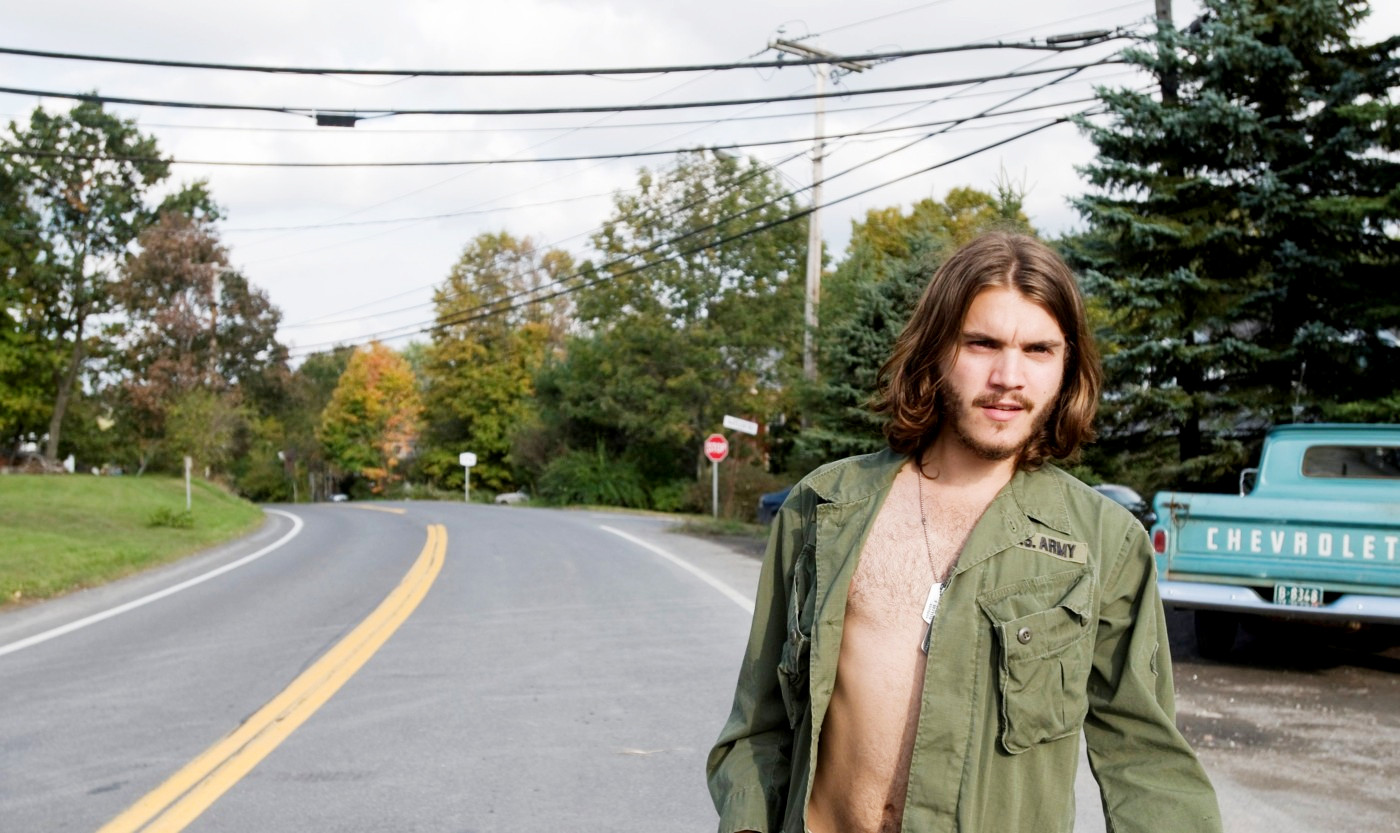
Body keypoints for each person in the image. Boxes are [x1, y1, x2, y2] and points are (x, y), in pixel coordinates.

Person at [706, 232, 1221, 833]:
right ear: (936, 350)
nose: (1009, 376)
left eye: (1038, 350)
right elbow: (759, 728)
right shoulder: (822, 509)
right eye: (981, 343)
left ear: (1067, 366)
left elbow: (1147, 761)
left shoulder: (1105, 544)